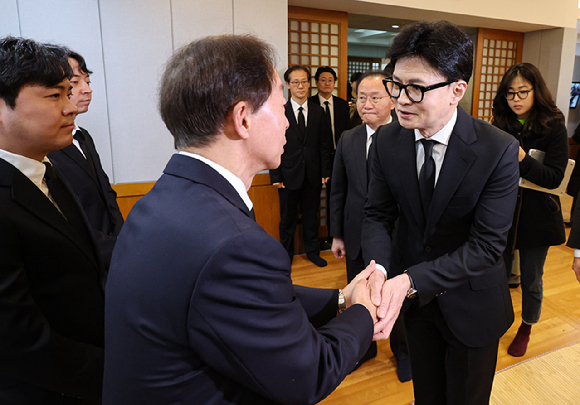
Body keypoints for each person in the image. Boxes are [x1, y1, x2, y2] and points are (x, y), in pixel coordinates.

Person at [103, 35, 393, 405]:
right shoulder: (235, 244)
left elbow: (251, 297)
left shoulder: (163, 198)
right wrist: (364, 312)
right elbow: (308, 374)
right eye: (280, 105)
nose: (289, 120)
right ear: (242, 119)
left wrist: (339, 298)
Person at [361, 21, 520, 405]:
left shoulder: (496, 149)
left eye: (416, 88)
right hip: (417, 307)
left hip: (472, 305)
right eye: (395, 85)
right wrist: (381, 269)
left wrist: (410, 279)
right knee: (427, 394)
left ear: (456, 90)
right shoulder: (387, 139)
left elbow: (486, 246)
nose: (400, 99)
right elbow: (378, 214)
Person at [0, 36, 106, 404]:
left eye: (69, 93)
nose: (70, 108)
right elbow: (18, 338)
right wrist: (116, 371)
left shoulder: (46, 168)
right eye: (54, 96)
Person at [330, 70, 411, 381]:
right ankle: (365, 349)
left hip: (395, 235)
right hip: (354, 232)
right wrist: (337, 234)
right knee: (359, 293)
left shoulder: (406, 137)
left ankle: (403, 351)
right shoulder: (349, 138)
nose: (366, 104)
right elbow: (338, 189)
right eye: (361, 97)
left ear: (392, 100)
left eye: (375, 97)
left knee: (398, 295)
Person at [492, 62, 568, 357]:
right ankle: (500, 319)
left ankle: (527, 325)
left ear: (537, 91)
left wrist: (522, 158)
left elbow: (553, 177)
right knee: (496, 273)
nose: (516, 99)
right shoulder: (501, 123)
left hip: (538, 214)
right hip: (501, 212)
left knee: (532, 278)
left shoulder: (553, 125)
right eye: (510, 94)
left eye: (523, 91)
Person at [48, 50, 124, 270]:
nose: (87, 89)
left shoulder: (83, 135)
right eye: (75, 82)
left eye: (87, 81)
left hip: (112, 255)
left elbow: (106, 193)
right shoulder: (47, 146)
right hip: (84, 259)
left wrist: (121, 238)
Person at [270, 65, 333, 267]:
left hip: (313, 174)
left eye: (304, 81)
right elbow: (273, 145)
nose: (300, 86)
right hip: (287, 175)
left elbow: (325, 144)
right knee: (287, 220)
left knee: (311, 217)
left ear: (310, 83)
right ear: (287, 85)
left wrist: (325, 171)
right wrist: (275, 176)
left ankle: (313, 253)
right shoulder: (279, 111)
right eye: (295, 82)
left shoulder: (318, 111)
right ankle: (285, 257)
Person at [309, 66, 351, 247]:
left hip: (339, 157)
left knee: (336, 197)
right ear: (316, 82)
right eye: (323, 80)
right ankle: (315, 238)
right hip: (316, 159)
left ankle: (334, 235)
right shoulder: (309, 104)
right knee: (313, 198)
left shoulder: (342, 104)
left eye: (330, 80)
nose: (327, 83)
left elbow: (348, 132)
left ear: (334, 83)